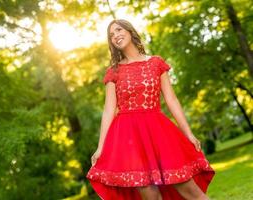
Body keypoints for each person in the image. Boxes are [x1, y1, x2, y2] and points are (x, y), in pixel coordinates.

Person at [86, 19, 215, 200]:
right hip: (128, 138)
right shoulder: (114, 71)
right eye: (111, 35)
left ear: (130, 32)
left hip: (158, 132)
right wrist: (101, 147)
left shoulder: (156, 63)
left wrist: (189, 133)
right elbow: (108, 110)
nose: (115, 36)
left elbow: (171, 99)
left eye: (118, 30)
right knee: (151, 196)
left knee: (191, 192)